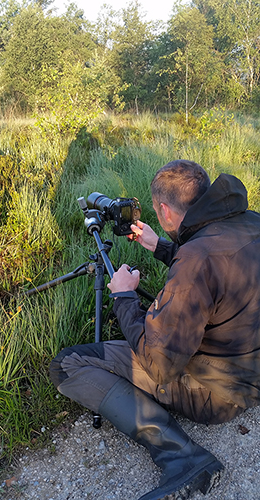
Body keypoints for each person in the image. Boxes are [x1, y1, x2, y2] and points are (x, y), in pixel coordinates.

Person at [49, 160, 260, 500]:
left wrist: (122, 296)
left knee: (69, 363)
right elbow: (218, 266)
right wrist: (159, 245)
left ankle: (183, 457)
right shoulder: (248, 222)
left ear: (163, 209)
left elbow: (159, 365)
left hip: (218, 396)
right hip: (250, 371)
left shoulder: (196, 261)